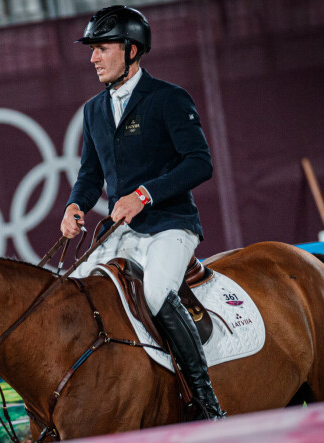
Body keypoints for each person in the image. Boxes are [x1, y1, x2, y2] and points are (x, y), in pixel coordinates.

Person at [59, 5, 224, 420]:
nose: (92, 57)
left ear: (132, 50)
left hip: (171, 225)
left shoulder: (168, 98)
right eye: (92, 49)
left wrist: (145, 195)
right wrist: (75, 205)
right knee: (71, 293)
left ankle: (205, 401)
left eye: (102, 48)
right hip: (123, 232)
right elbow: (90, 174)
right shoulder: (93, 110)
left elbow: (199, 162)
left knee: (155, 294)